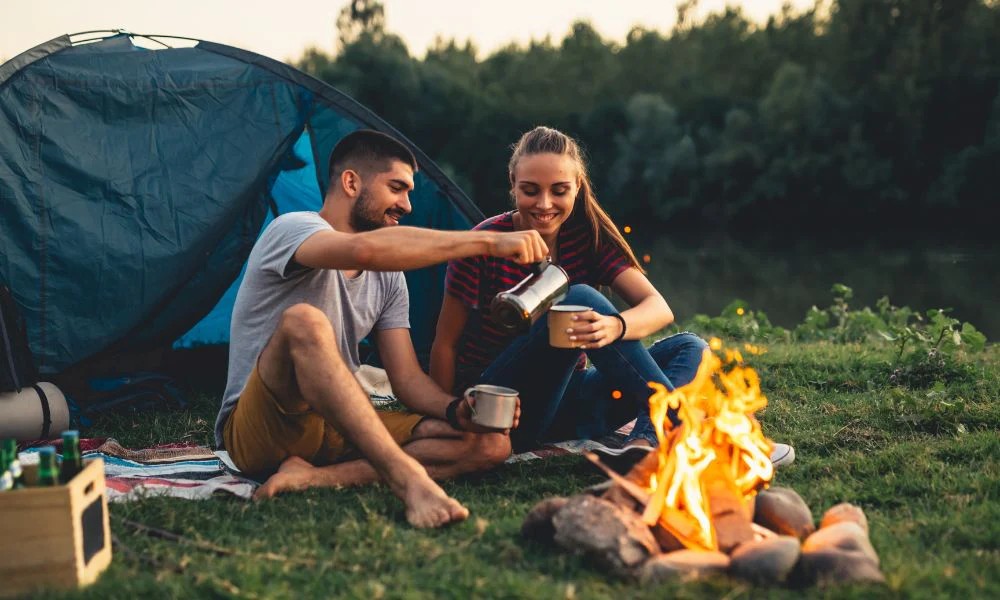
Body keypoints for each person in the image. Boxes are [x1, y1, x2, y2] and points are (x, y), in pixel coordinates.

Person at [214, 129, 548, 528]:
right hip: (262, 428)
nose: (407, 204)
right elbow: (362, 251)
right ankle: (408, 480)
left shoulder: (390, 279)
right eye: (396, 188)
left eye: (409, 192)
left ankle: (313, 478)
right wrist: (488, 242)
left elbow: (406, 379)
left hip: (335, 423)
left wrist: (455, 409)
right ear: (351, 182)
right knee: (304, 320)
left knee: (490, 444)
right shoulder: (292, 228)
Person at [431, 126, 794, 468]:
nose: (544, 203)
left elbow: (659, 308)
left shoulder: (585, 237)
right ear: (512, 183)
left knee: (690, 347)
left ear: (577, 187)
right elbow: (445, 344)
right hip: (505, 409)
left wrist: (615, 326)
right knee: (580, 296)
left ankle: (645, 443)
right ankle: (682, 426)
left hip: (570, 401)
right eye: (530, 190)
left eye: (559, 190)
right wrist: (448, 416)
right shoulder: (485, 243)